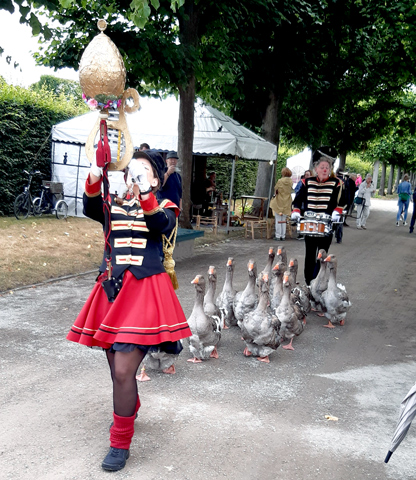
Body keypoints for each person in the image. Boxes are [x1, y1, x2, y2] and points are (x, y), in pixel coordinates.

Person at [66, 149, 192, 472]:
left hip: (145, 294)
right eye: (130, 169)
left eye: (143, 169)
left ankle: (120, 441)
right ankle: (130, 402)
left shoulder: (165, 205)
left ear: (156, 177)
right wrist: (97, 169)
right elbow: (90, 205)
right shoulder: (114, 203)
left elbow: (161, 225)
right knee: (115, 368)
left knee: (123, 370)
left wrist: (146, 192)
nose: (134, 173)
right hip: (111, 292)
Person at [291, 146, 347, 285]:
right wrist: (296, 211)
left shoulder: (337, 184)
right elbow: (297, 200)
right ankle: (308, 281)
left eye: (327, 167)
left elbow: (344, 201)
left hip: (326, 224)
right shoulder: (307, 182)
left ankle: (317, 280)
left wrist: (337, 211)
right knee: (309, 254)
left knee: (322, 254)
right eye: (322, 167)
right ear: (316, 168)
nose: (324, 170)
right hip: (309, 223)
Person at [270, 167, 293, 241]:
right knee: (283, 220)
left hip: (279, 200)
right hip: (287, 201)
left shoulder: (280, 181)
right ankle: (283, 236)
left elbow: (276, 188)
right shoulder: (291, 181)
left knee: (278, 219)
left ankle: (278, 235)